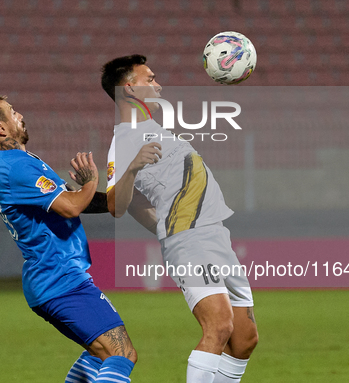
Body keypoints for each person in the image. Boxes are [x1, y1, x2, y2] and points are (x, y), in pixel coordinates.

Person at [101, 56, 258, 383]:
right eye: (151, 78)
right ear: (130, 89)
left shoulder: (152, 131)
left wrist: (162, 224)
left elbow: (132, 207)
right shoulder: (125, 140)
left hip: (214, 235)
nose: (158, 85)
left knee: (243, 340)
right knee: (219, 325)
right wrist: (130, 169)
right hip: (190, 240)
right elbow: (116, 204)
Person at [0, 95, 137, 383]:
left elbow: (71, 199)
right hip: (60, 279)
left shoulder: (18, 162)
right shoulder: (14, 166)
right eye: (12, 112)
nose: (20, 115)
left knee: (100, 355)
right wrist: (92, 179)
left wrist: (116, 199)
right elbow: (71, 207)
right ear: (1, 129)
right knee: (123, 354)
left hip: (54, 279)